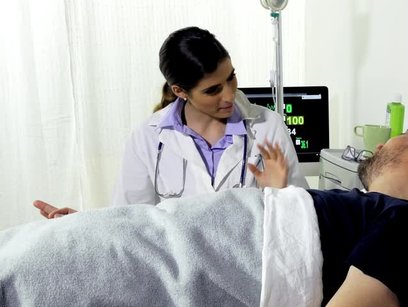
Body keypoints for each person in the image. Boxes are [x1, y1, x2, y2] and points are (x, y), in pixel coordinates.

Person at [2, 117, 408, 307]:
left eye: (403, 134)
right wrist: (89, 226)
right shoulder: (352, 203)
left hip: (151, 277)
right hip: (123, 241)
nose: (383, 141)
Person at [32, 26, 308, 218]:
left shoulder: (267, 126)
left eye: (231, 77)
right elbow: (128, 221)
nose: (229, 94)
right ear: (180, 91)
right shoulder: (148, 138)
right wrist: (80, 226)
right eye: (212, 90)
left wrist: (278, 193)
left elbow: (305, 219)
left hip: (253, 275)